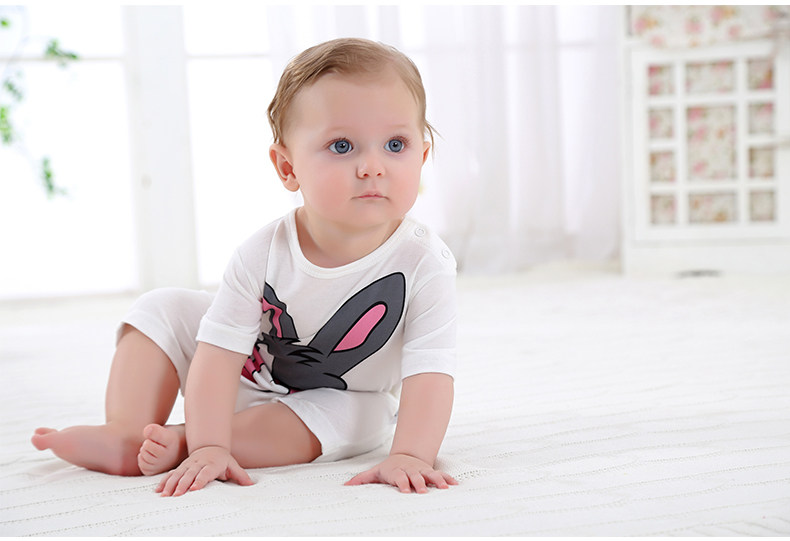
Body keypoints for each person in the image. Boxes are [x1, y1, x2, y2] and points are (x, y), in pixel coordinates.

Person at [31, 37, 458, 497]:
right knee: (163, 307)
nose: (372, 167)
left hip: (333, 400)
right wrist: (210, 446)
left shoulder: (424, 263)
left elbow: (430, 370)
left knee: (366, 419)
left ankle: (180, 441)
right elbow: (217, 354)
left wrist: (411, 454)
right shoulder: (263, 251)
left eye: (395, 144)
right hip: (240, 372)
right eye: (342, 146)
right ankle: (128, 430)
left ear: (422, 157)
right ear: (287, 167)